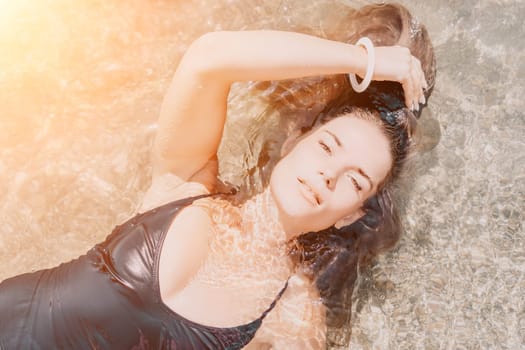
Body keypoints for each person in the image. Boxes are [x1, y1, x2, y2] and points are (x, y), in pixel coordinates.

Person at [0, 3, 435, 349]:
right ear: (292, 142)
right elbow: (210, 58)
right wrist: (363, 60)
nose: (328, 174)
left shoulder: (294, 317)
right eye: (326, 146)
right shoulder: (187, 184)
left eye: (355, 181)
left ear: (352, 215)